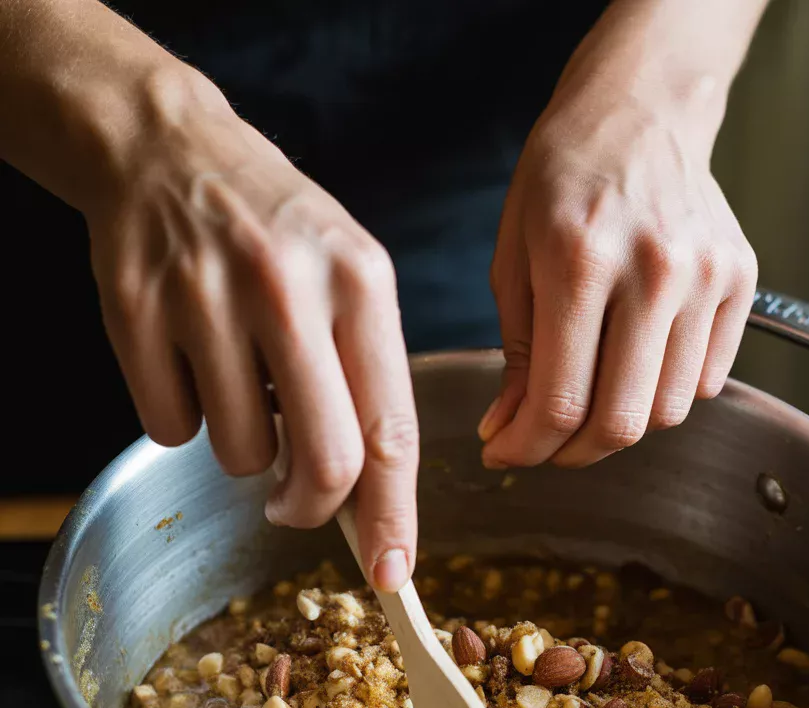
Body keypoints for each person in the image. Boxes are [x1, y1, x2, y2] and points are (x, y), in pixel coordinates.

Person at [0, 0, 766, 589]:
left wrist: (664, 84)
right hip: (58, 178)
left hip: (515, 176)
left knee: (522, 431)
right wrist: (136, 119)